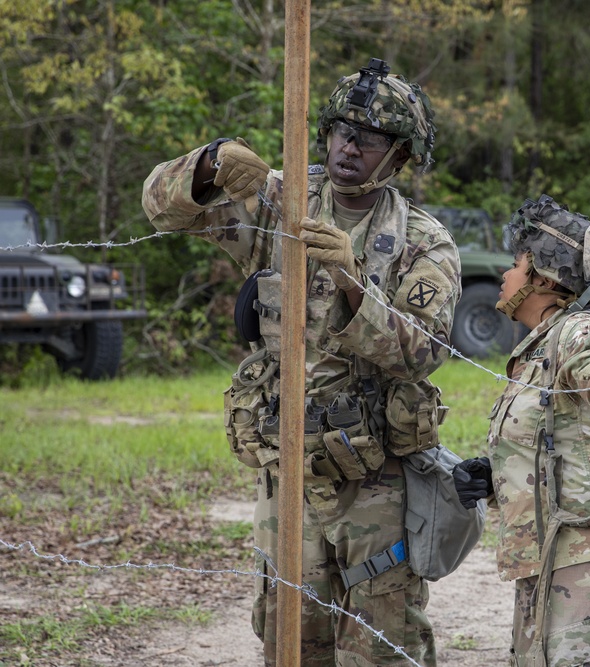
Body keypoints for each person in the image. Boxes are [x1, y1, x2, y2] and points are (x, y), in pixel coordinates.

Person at [142, 58, 460, 666]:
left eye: (370, 139)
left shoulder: (423, 239)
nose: (350, 147)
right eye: (342, 131)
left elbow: (424, 352)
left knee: (382, 643)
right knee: (290, 641)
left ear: (400, 157)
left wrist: (352, 281)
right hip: (286, 469)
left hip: (375, 484)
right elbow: (162, 210)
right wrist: (209, 166)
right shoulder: (284, 204)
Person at [452, 195, 590, 667]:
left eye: (514, 264)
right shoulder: (535, 351)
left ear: (544, 280)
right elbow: (560, 444)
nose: (504, 275)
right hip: (551, 562)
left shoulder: (575, 331)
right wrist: (497, 479)